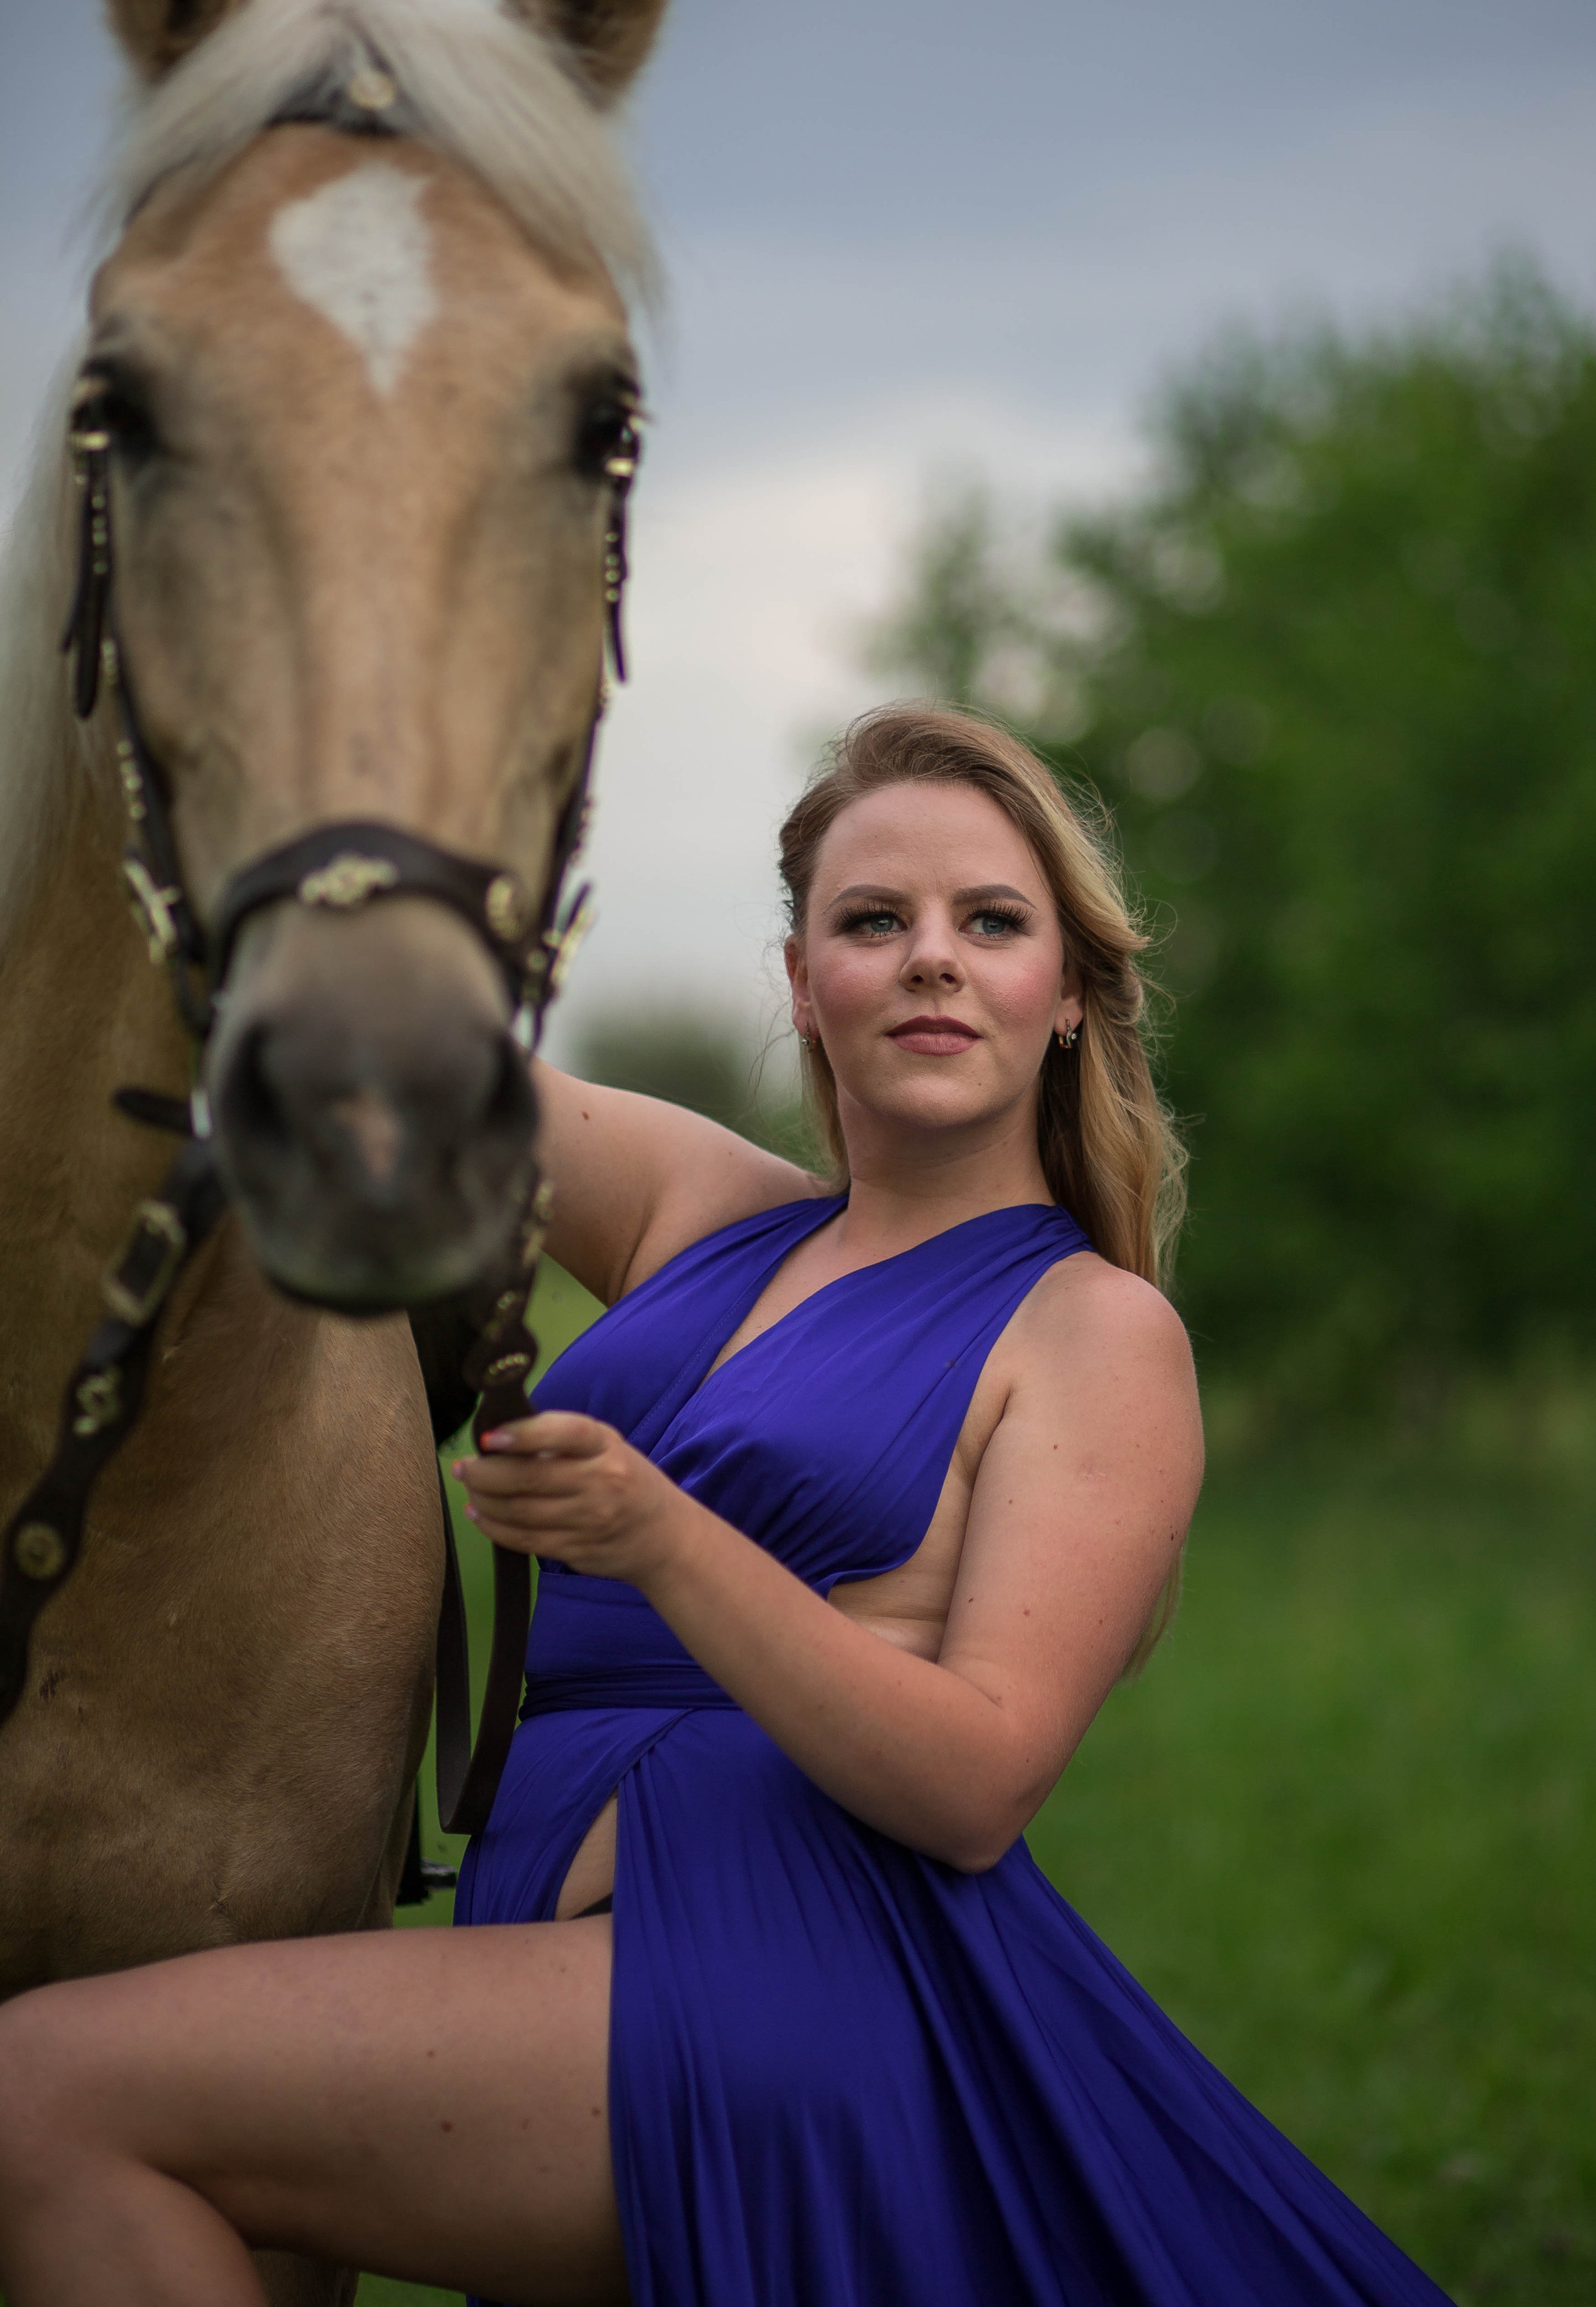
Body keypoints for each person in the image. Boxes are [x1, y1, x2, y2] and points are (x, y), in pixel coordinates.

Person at [0, 702, 1452, 2306]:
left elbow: (978, 1777)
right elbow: (401, 1047)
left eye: (990, 923)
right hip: (565, 1964)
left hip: (777, 1978)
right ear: (800, 987)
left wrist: (663, 1543)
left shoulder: (1096, 1337)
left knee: (44, 2099)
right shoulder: (709, 1214)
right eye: (871, 922)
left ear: (1068, 999)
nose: (929, 960)